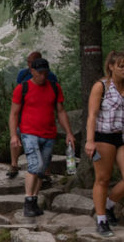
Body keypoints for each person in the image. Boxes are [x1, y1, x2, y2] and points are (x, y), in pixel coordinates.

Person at [8, 58, 75, 217]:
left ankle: (34, 202)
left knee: (42, 169)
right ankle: (28, 202)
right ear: (32, 71)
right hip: (29, 132)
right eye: (40, 73)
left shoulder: (54, 87)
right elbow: (14, 113)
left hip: (49, 134)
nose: (43, 76)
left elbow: (60, 111)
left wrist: (69, 133)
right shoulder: (22, 88)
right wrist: (13, 135)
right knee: (35, 165)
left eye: (46, 73)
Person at [85, 50, 124, 237]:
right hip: (104, 136)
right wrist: (90, 141)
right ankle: (101, 220)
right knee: (103, 178)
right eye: (121, 66)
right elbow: (92, 115)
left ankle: (108, 205)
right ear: (111, 67)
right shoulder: (101, 86)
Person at [7, 51, 59, 179]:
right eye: (28, 61)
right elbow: (19, 93)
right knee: (16, 136)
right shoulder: (23, 74)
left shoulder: (50, 77)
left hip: (41, 114)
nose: (28, 64)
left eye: (31, 62)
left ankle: (44, 171)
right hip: (24, 113)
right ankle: (14, 164)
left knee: (43, 145)